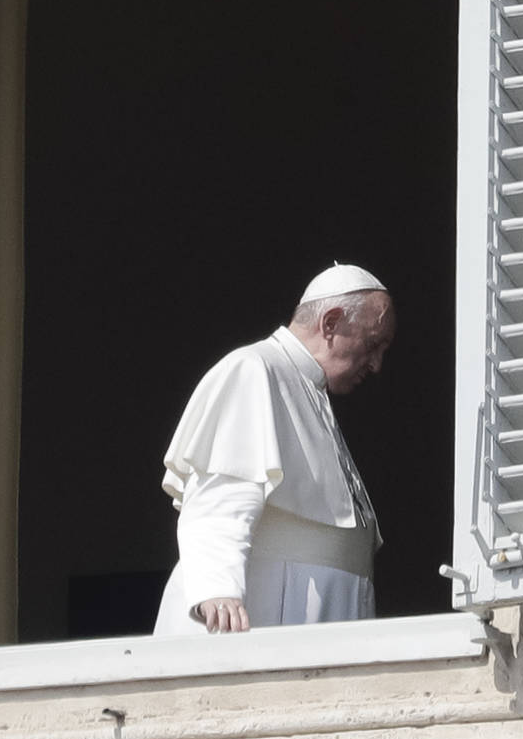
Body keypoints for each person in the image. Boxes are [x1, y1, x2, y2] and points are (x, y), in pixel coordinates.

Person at [153, 264, 396, 635]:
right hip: (271, 610)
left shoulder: (310, 389)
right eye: (372, 344)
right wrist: (218, 588)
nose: (377, 364)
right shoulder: (254, 369)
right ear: (330, 323)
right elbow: (220, 491)